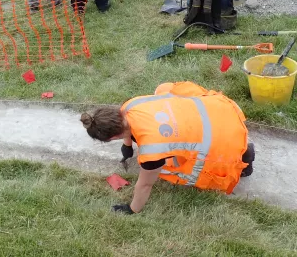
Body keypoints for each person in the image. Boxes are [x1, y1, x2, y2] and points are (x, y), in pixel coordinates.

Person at [80, 81, 255, 214]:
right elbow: (126, 127)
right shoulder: (131, 105)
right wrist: (127, 146)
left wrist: (132, 208)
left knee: (171, 171)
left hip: (225, 138)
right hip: (218, 109)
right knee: (163, 88)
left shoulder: (152, 151)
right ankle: (241, 147)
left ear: (113, 137)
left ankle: (244, 154)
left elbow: (145, 185)